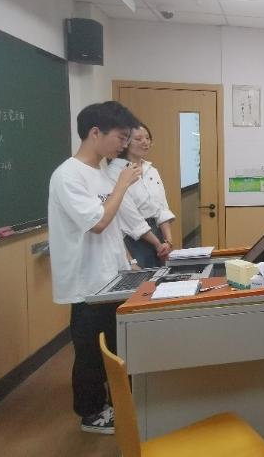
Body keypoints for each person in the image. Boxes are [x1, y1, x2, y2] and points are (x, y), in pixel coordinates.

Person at [48, 101, 142, 434]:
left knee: (115, 348)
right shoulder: (68, 175)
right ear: (95, 133)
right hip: (87, 283)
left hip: (112, 278)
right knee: (90, 352)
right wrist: (122, 185)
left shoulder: (101, 173)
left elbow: (113, 226)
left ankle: (119, 404)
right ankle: (90, 413)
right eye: (121, 137)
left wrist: (129, 262)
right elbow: (99, 223)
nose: (124, 145)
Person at [105, 123, 175, 268]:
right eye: (138, 139)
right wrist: (157, 244)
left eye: (147, 138)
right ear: (125, 143)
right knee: (142, 279)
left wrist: (168, 241)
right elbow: (131, 217)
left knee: (162, 278)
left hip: (157, 235)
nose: (145, 142)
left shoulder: (151, 170)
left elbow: (162, 208)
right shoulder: (115, 172)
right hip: (134, 239)